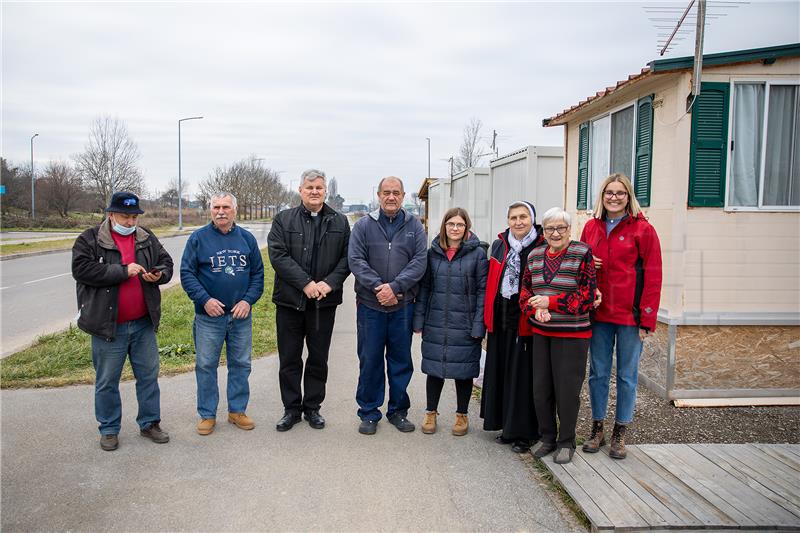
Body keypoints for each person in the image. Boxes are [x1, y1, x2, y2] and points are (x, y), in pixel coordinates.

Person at [72, 191, 173, 451]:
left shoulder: (146, 237)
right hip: (108, 327)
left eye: (133, 217)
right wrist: (122, 271)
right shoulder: (91, 239)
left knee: (148, 376)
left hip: (143, 323)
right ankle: (108, 429)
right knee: (107, 381)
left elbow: (166, 263)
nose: (130, 222)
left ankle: (150, 423)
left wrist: (158, 275)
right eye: (124, 217)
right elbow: (81, 270)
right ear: (110, 215)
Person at [580, 173, 662, 460]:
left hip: (630, 316)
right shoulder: (591, 227)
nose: (614, 197)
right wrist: (589, 260)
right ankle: (597, 428)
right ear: (602, 196)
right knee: (598, 373)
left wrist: (647, 319)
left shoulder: (643, 230)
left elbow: (653, 275)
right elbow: (579, 266)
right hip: (599, 313)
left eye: (620, 193)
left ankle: (620, 434)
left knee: (627, 376)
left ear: (629, 197)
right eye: (609, 193)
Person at [267, 169, 351, 432]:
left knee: (318, 358)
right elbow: (278, 256)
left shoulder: (340, 221)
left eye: (319, 187)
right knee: (289, 358)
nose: (314, 192)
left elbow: (347, 258)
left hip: (322, 304)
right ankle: (291, 409)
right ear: (300, 190)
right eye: (309, 187)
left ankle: (313, 408)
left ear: (326, 191)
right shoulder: (283, 219)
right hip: (290, 302)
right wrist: (305, 283)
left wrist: (329, 283)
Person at [348, 176, 427, 435]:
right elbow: (356, 260)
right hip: (370, 306)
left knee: (400, 360)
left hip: (402, 306)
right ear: (378, 195)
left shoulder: (415, 226)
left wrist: (395, 288)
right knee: (369, 359)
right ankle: (369, 413)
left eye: (396, 192)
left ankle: (398, 411)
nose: (391, 197)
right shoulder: (363, 226)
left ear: (403, 196)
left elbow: (419, 262)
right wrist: (379, 288)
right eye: (386, 192)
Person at [181, 192, 265, 436]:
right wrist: (204, 300)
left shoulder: (247, 239)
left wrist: (248, 301)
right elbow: (187, 273)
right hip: (209, 318)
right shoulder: (198, 239)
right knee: (206, 365)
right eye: (216, 207)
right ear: (210, 211)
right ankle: (207, 414)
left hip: (240, 317)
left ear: (234, 211)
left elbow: (258, 275)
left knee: (240, 364)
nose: (220, 211)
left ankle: (237, 411)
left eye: (225, 207)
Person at [521, 207, 597, 464]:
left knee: (566, 390)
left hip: (573, 335)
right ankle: (547, 437)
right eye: (550, 228)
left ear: (569, 230)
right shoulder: (534, 255)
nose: (555, 233)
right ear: (543, 231)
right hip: (542, 332)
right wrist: (534, 308)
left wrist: (550, 304)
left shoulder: (582, 253)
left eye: (561, 228)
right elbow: (524, 291)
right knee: (541, 389)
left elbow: (587, 297)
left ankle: (567, 441)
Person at [413, 208, 488, 436]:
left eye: (460, 225)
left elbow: (482, 291)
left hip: (464, 323)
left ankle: (462, 415)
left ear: (467, 228)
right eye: (451, 224)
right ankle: (430, 412)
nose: (455, 228)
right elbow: (424, 288)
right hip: (436, 321)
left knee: (463, 371)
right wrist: (419, 319)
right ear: (444, 226)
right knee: (434, 369)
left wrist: (478, 324)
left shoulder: (477, 254)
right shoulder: (432, 253)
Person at [480, 201, 545, 453]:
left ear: (532, 219)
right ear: (507, 220)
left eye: (523, 217)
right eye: (513, 217)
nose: (518, 222)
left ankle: (524, 432)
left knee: (523, 376)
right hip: (501, 316)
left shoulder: (540, 245)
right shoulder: (500, 244)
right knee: (502, 372)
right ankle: (505, 426)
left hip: (525, 319)